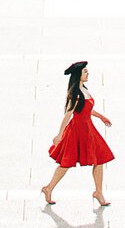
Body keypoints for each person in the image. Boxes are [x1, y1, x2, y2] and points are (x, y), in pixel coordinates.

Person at [40, 58, 114, 209]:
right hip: (77, 131)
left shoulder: (84, 90)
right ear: (78, 75)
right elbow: (68, 114)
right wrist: (59, 135)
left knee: (99, 159)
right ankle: (48, 188)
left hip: (88, 129)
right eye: (85, 72)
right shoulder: (76, 94)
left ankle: (98, 192)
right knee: (66, 162)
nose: (87, 74)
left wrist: (101, 117)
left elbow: (86, 110)